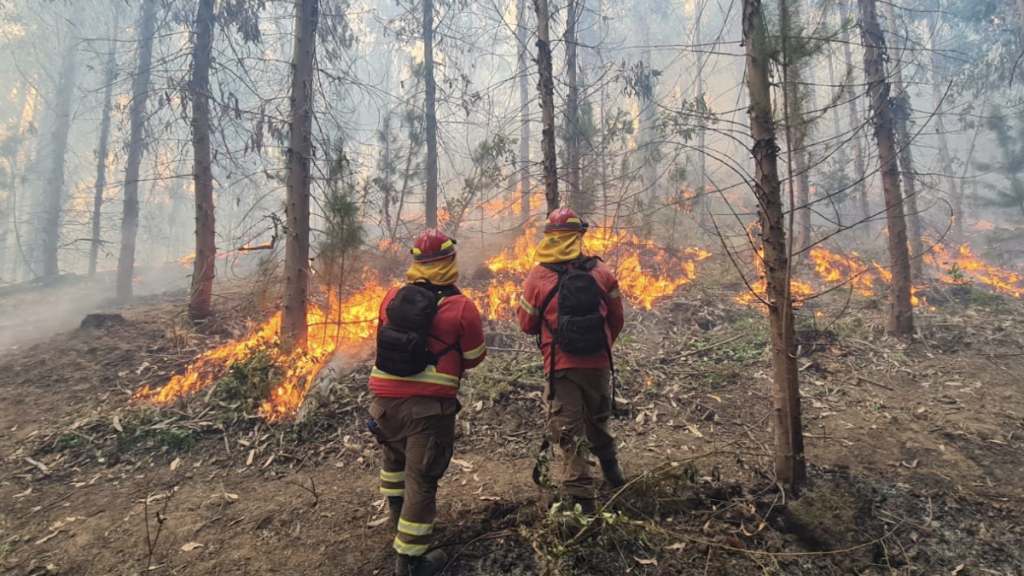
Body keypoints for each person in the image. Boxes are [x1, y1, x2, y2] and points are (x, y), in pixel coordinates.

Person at [368, 228, 487, 576]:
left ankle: (396, 515)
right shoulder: (461, 306)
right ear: (449, 262)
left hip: (383, 403)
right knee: (422, 478)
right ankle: (411, 562)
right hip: (428, 410)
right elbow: (475, 356)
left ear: (416, 264)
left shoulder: (390, 297)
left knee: (394, 459)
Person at [517, 207, 627, 515]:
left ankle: (583, 503)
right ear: (579, 237)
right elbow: (617, 319)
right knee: (597, 419)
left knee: (569, 432)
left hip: (560, 368)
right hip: (598, 364)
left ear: (550, 238)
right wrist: (601, 347)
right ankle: (612, 470)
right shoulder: (603, 273)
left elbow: (526, 324)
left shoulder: (539, 276)